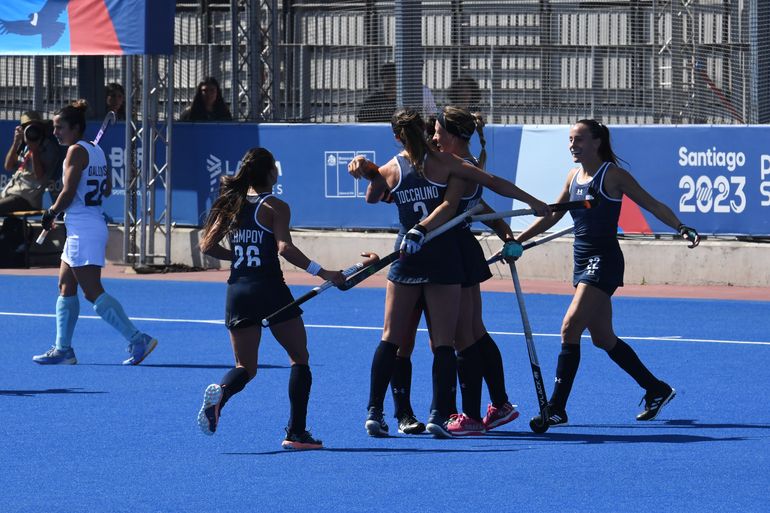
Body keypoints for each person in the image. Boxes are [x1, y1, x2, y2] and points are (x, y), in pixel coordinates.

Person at [348, 108, 549, 438]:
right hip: (440, 254)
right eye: (433, 132)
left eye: (440, 131)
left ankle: (379, 411)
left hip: (422, 251)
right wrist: (533, 203)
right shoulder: (447, 163)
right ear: (426, 132)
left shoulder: (402, 166)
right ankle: (438, 414)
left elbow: (377, 197)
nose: (436, 136)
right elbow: (490, 187)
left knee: (405, 338)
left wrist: (371, 172)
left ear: (398, 137)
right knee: (447, 339)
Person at [515, 119, 701, 427]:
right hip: (582, 259)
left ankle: (556, 408)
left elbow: (652, 204)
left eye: (579, 140)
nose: (572, 145)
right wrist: (517, 242)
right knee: (603, 338)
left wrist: (680, 227)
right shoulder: (573, 176)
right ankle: (656, 388)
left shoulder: (612, 176)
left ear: (597, 142)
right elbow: (552, 216)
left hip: (604, 259)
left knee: (569, 327)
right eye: (570, 140)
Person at [387, 107, 523, 437]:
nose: (432, 138)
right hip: (443, 247)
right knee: (472, 332)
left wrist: (509, 226)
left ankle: (470, 413)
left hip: (448, 248)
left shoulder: (457, 167)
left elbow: (462, 205)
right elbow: (476, 206)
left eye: (437, 132)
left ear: (453, 136)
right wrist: (504, 231)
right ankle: (492, 405)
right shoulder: (454, 164)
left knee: (461, 336)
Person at [196, 147, 343, 450]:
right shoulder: (275, 206)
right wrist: (324, 272)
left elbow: (207, 246)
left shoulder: (231, 204)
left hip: (238, 290)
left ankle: (221, 392)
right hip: (270, 289)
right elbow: (284, 249)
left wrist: (236, 256)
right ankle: (297, 432)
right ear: (270, 174)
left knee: (245, 368)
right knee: (299, 357)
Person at [32, 100, 157, 365]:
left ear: (75, 128)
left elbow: (67, 193)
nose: (55, 133)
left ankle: (137, 339)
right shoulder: (96, 151)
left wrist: (50, 213)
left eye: (59, 128)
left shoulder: (75, 152)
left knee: (92, 291)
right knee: (66, 286)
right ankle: (63, 348)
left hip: (83, 229)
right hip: (84, 224)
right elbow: (108, 188)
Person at [1, 111, 60, 215]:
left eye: (35, 126)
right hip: (10, 193)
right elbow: (8, 166)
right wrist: (16, 143)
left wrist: (35, 151)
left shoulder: (49, 148)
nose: (32, 130)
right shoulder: (24, 145)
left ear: (41, 127)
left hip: (28, 199)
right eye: (28, 127)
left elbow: (39, 176)